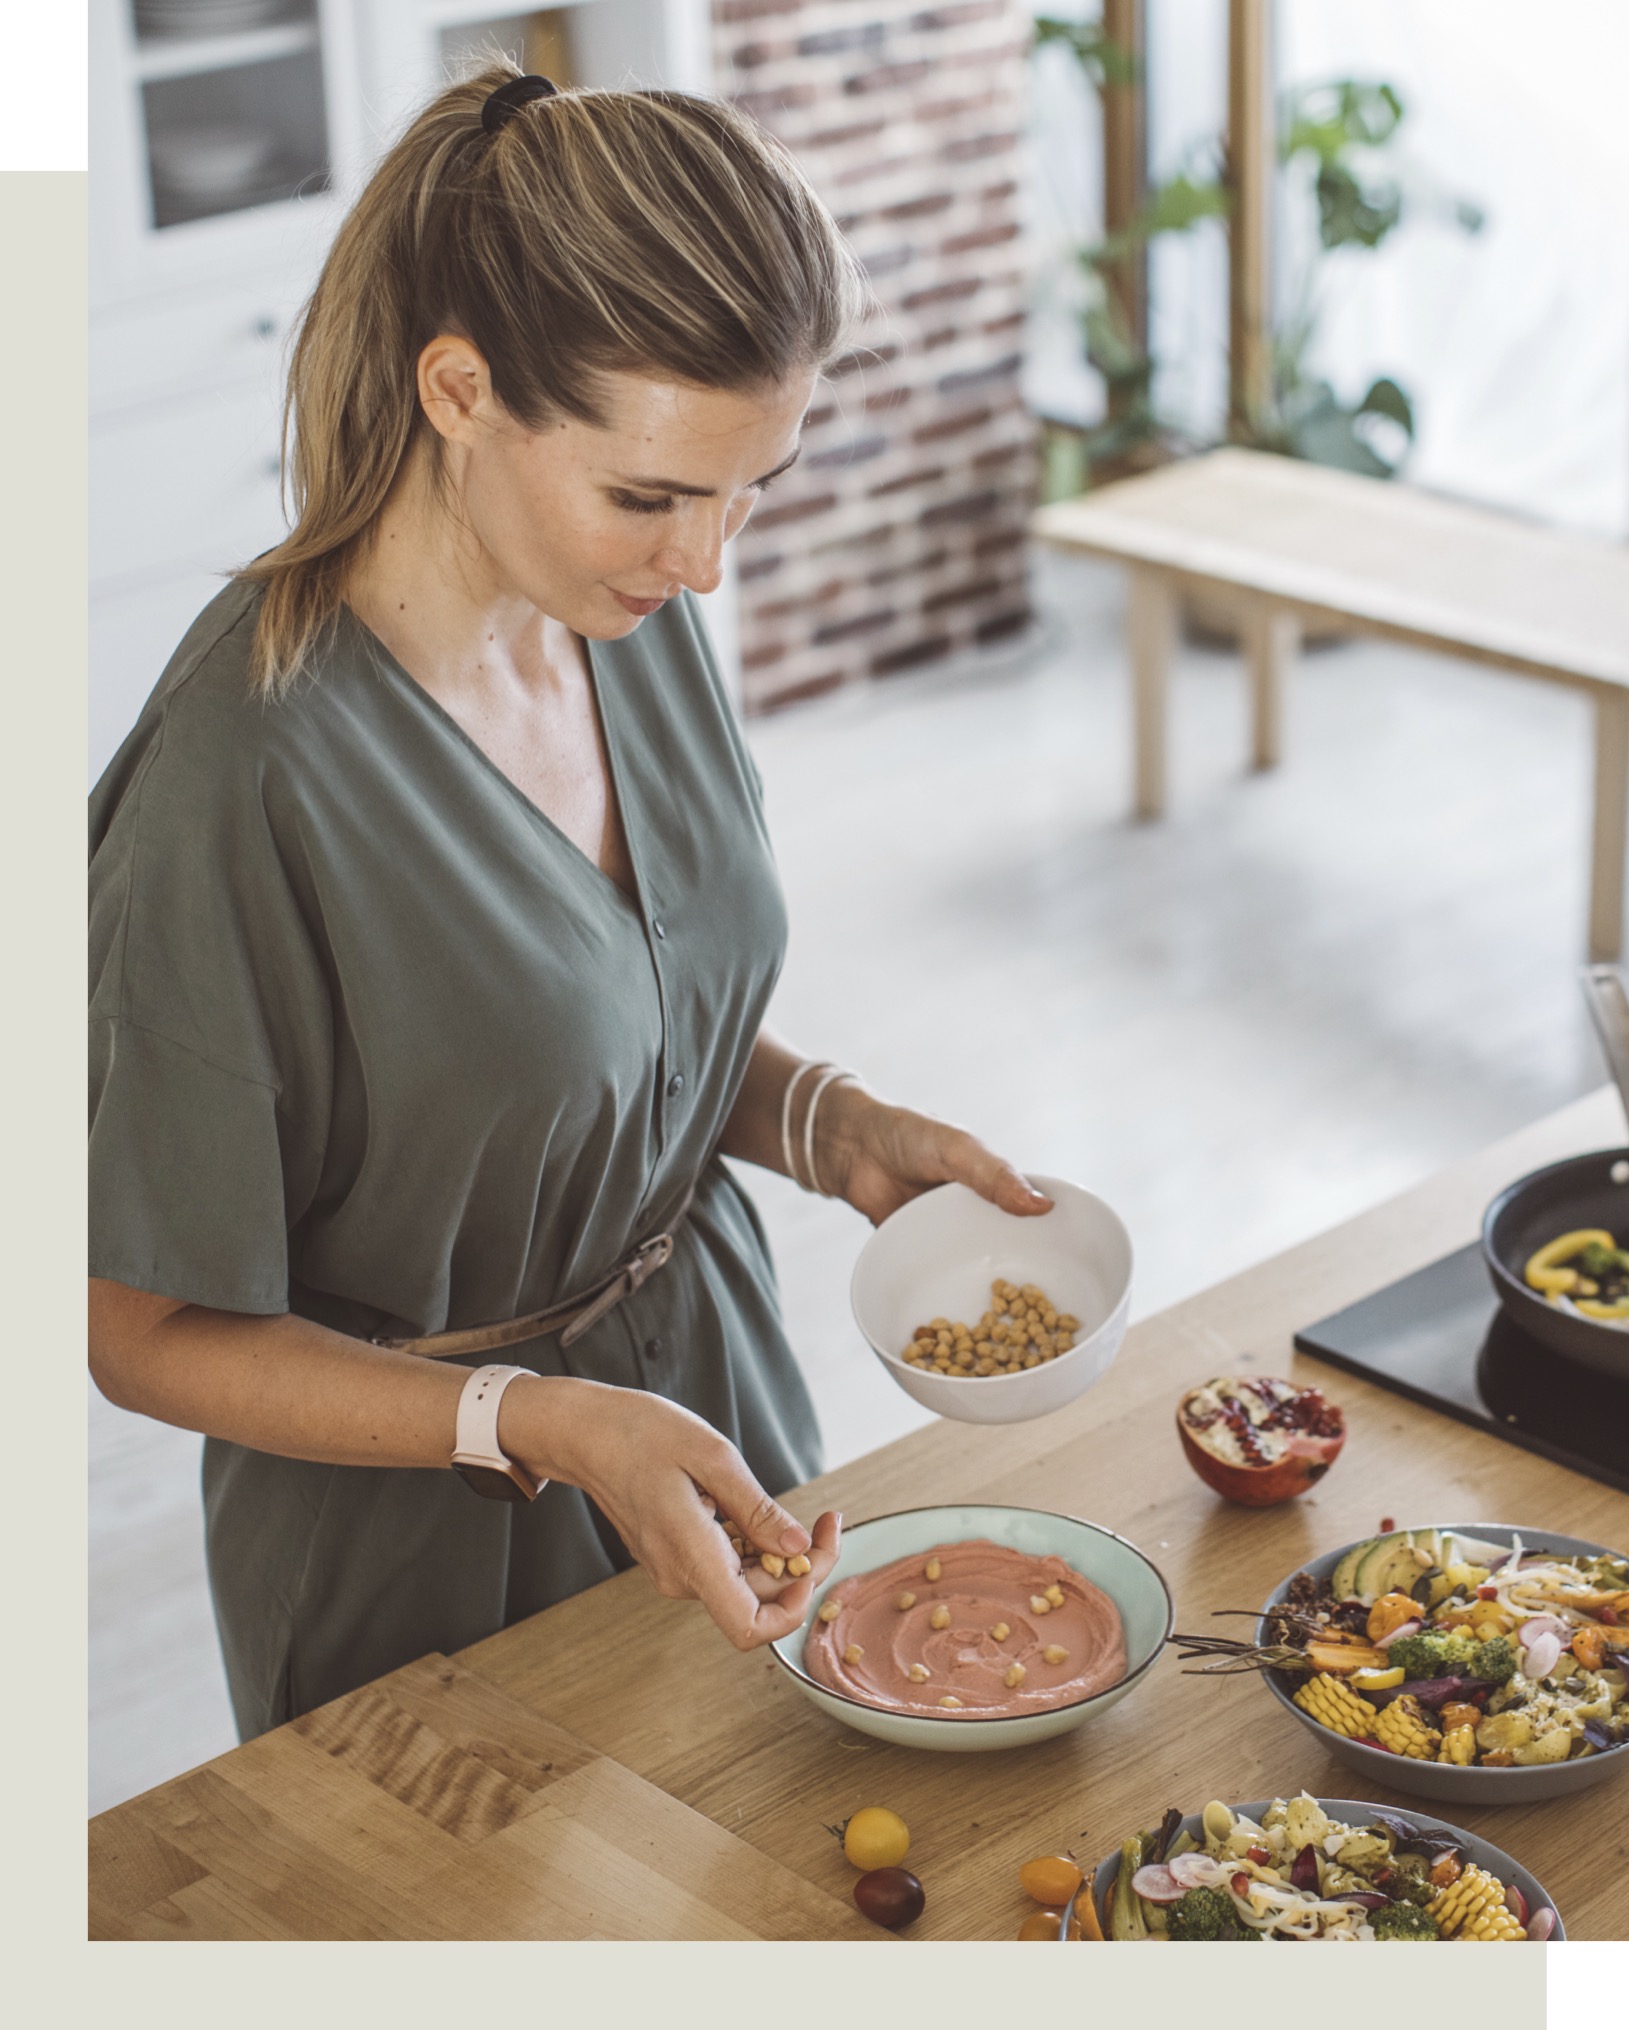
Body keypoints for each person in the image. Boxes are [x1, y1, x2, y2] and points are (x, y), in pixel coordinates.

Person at [87, 66, 1051, 1742]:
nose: (708, 566)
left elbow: (603, 1013)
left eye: (751, 489)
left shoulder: (618, 609)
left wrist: (828, 1123)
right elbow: (141, 1331)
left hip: (710, 1408)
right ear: (458, 390)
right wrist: (538, 1418)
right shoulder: (238, 778)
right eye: (655, 495)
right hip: (422, 1537)